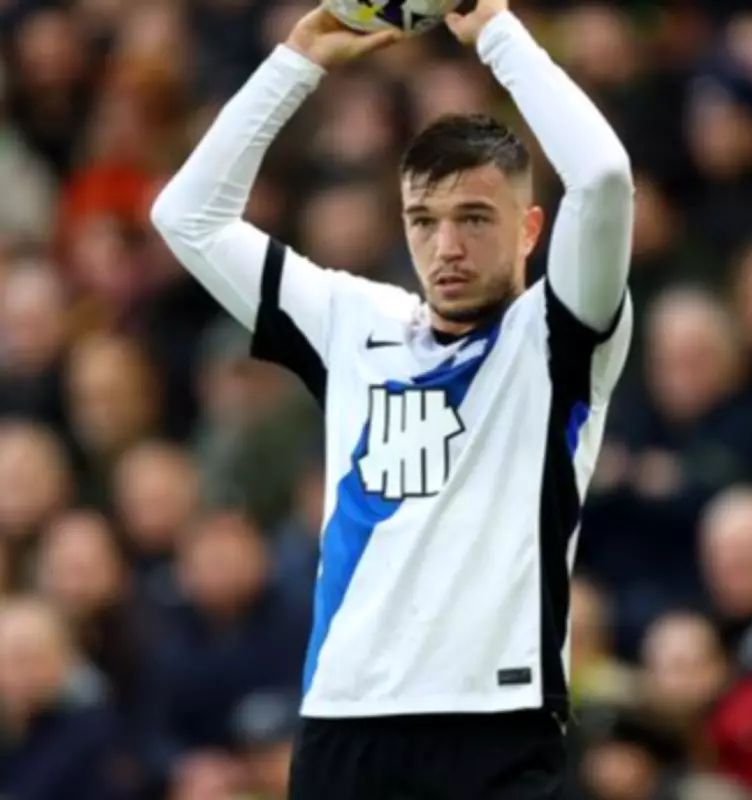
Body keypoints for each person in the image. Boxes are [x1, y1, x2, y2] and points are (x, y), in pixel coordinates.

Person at [151, 0, 634, 794]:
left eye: (475, 218)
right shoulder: (351, 321)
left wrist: (497, 33)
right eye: (424, 220)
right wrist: (298, 61)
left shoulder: (558, 335)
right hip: (345, 720)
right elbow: (187, 216)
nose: (447, 247)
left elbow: (605, 176)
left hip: (495, 723)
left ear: (530, 229)